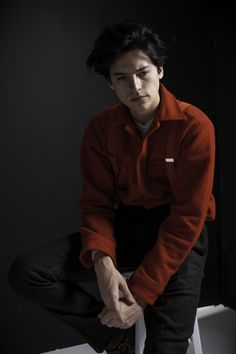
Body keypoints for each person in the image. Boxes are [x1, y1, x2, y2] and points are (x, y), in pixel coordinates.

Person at [8, 19, 216, 354]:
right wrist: (103, 260)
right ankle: (114, 337)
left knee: (166, 346)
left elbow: (188, 218)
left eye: (142, 72)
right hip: (126, 227)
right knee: (27, 272)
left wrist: (141, 295)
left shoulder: (195, 126)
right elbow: (97, 205)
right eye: (121, 77)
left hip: (181, 237)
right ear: (110, 84)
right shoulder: (99, 130)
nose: (135, 86)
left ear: (160, 70)